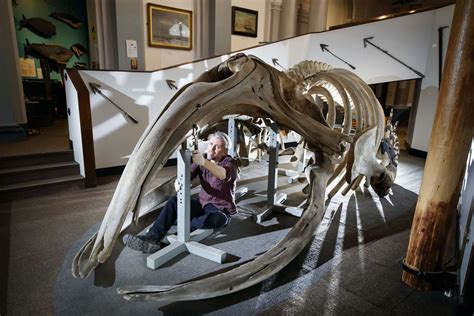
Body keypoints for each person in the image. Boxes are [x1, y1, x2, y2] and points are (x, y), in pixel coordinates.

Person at [123, 131, 238, 253]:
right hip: (201, 203)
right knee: (173, 202)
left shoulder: (229, 163)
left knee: (213, 219)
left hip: (220, 209)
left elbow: (223, 174)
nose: (212, 148)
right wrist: (180, 180)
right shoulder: (202, 158)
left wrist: (203, 162)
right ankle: (152, 237)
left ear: (225, 151)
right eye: (210, 144)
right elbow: (189, 173)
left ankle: (168, 242)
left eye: (217, 147)